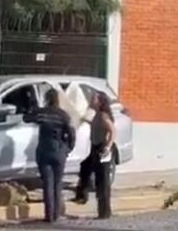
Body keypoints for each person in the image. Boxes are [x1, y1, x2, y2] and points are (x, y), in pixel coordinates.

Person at [24, 89, 76, 223]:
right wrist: (68, 148)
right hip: (59, 150)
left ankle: (49, 216)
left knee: (47, 183)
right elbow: (71, 132)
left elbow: (27, 118)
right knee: (58, 183)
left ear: (47, 99)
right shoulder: (63, 115)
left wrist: (32, 104)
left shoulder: (43, 113)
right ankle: (56, 214)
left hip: (44, 150)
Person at [75, 92, 116, 219]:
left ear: (100, 102)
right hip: (95, 147)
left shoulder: (103, 116)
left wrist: (108, 147)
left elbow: (113, 131)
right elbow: (95, 125)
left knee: (102, 181)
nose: (91, 100)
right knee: (85, 168)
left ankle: (104, 212)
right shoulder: (97, 115)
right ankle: (82, 195)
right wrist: (84, 120)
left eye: (94, 99)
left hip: (102, 148)